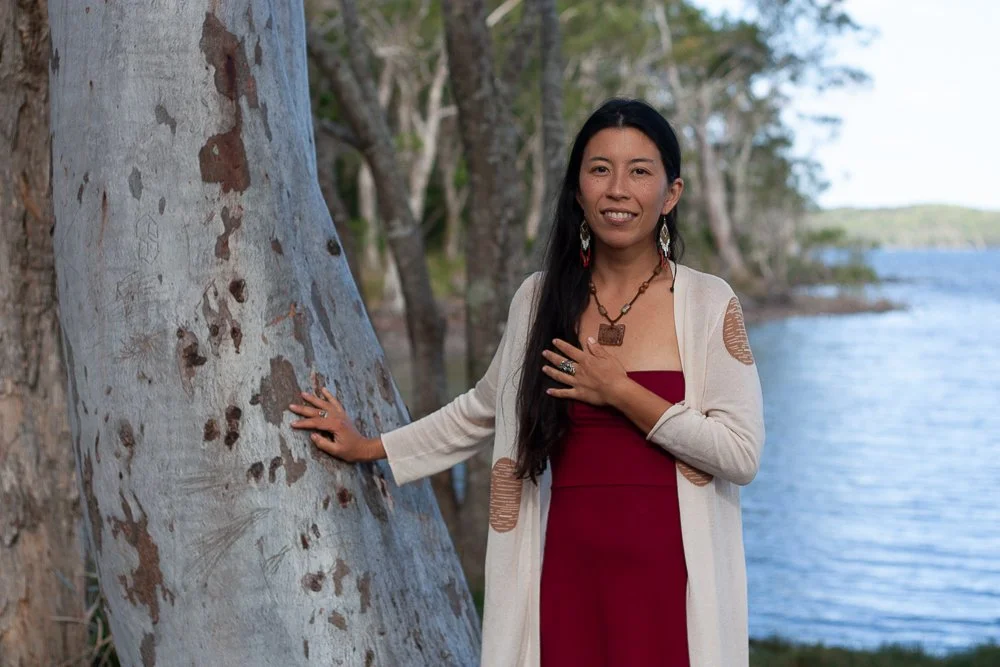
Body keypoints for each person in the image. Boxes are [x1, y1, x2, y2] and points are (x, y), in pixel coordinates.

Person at [287, 98, 765, 667]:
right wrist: (369, 447)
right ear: (578, 190)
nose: (617, 189)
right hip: (563, 577)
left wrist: (620, 391)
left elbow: (740, 454)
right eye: (600, 169)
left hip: (673, 586)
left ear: (671, 194)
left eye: (640, 171)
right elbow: (480, 409)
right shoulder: (539, 299)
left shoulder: (708, 302)